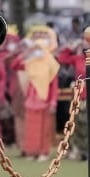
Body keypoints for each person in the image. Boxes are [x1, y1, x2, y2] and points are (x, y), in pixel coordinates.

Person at [19, 25, 60, 158]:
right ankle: (32, 152)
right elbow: (16, 64)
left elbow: (54, 85)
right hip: (32, 99)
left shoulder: (51, 64)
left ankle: (44, 152)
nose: (38, 51)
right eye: (36, 48)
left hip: (45, 99)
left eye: (40, 48)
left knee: (44, 128)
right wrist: (28, 51)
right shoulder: (31, 63)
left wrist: (53, 102)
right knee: (32, 128)